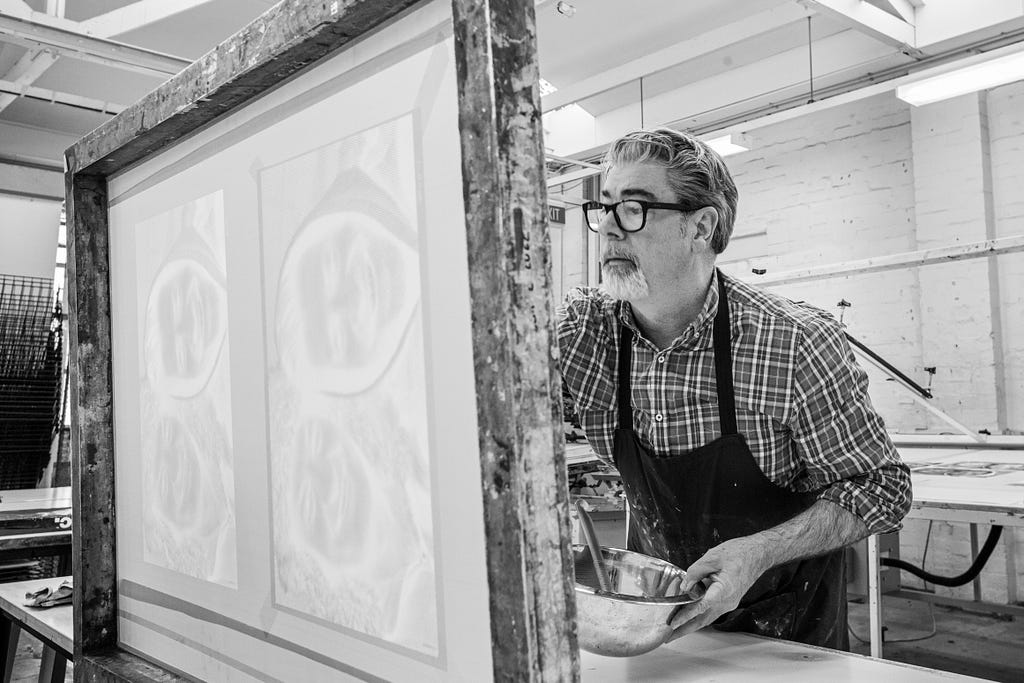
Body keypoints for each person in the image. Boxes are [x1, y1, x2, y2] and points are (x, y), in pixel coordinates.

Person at [558, 127, 912, 650]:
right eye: (604, 206)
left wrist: (760, 552)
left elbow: (882, 488)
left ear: (701, 225)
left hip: (787, 632)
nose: (608, 229)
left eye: (632, 208)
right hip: (651, 624)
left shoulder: (793, 342)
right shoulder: (581, 334)